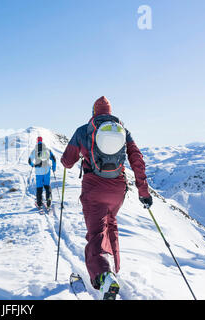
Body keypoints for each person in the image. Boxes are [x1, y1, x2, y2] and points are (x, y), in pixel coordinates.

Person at [60, 96, 153, 300]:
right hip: (117, 189)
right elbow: (137, 159)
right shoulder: (122, 131)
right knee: (110, 223)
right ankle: (114, 267)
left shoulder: (84, 130)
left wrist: (67, 161)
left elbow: (67, 161)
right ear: (110, 112)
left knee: (96, 233)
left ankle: (104, 277)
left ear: (94, 112)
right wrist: (143, 191)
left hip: (94, 188)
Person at [28, 136, 57, 209]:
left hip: (38, 171)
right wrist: (54, 168)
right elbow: (54, 159)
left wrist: (33, 165)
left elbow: (29, 161)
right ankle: (48, 200)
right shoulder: (47, 150)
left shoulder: (34, 150)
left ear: (37, 142)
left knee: (39, 187)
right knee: (47, 186)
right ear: (42, 141)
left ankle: (39, 203)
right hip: (47, 170)